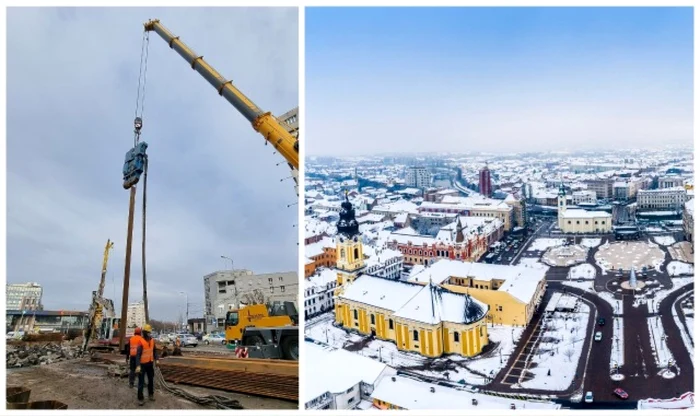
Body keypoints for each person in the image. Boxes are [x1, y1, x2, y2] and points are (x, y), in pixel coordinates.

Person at [135, 324, 157, 405]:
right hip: (142, 365)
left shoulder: (152, 341)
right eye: (148, 332)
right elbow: (138, 355)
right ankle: (140, 398)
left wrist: (157, 359)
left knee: (151, 380)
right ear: (144, 333)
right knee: (141, 382)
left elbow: (154, 351)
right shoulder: (141, 342)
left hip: (150, 364)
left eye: (150, 332)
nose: (149, 334)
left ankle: (151, 395)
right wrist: (137, 366)